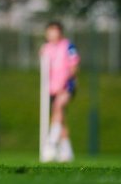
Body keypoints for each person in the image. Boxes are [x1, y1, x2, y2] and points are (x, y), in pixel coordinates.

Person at [40, 21, 80, 162]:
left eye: (54, 31)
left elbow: (74, 66)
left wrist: (65, 83)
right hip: (52, 88)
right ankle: (67, 152)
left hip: (66, 86)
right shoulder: (46, 48)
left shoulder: (68, 46)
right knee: (61, 118)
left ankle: (51, 144)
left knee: (58, 108)